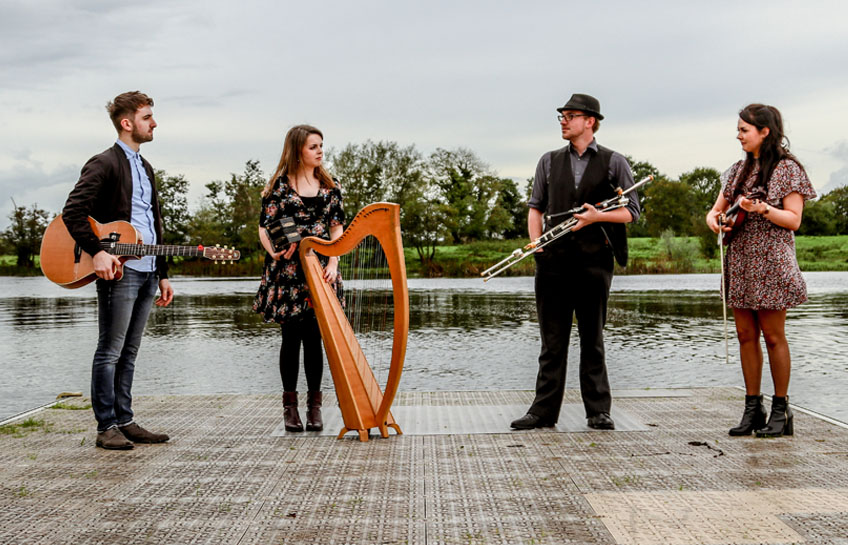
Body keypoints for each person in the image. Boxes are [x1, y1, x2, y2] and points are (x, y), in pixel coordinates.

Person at [511, 93, 640, 431]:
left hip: (595, 262)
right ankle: (542, 412)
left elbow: (632, 212)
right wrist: (537, 241)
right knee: (551, 342)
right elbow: (536, 206)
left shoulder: (615, 162)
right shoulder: (548, 161)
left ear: (590, 121)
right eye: (562, 116)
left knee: (592, 338)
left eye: (570, 115)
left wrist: (599, 216)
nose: (564, 121)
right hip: (552, 262)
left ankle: (598, 411)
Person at [62, 91, 174, 450]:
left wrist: (164, 272)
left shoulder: (145, 166)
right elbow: (72, 213)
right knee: (110, 350)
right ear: (127, 123)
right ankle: (105, 426)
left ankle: (125, 420)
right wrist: (96, 251)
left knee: (130, 351)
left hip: (147, 269)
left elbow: (154, 224)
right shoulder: (104, 162)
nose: (153, 123)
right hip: (119, 271)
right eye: (147, 117)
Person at [706, 104, 816, 438]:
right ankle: (753, 408)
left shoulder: (788, 169)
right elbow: (714, 212)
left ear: (764, 131)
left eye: (744, 130)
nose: (738, 135)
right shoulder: (737, 170)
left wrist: (765, 208)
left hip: (771, 260)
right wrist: (716, 222)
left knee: (772, 336)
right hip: (739, 259)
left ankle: (781, 409)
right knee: (745, 335)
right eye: (738, 129)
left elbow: (793, 219)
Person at [254, 125, 345, 433]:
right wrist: (274, 252)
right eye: (313, 146)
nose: (320, 151)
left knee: (315, 339)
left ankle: (314, 408)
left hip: (321, 271)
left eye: (321, 145)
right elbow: (264, 229)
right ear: (297, 151)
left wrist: (334, 261)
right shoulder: (278, 187)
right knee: (291, 339)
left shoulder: (330, 187)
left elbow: (337, 228)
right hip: (288, 272)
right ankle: (290, 409)